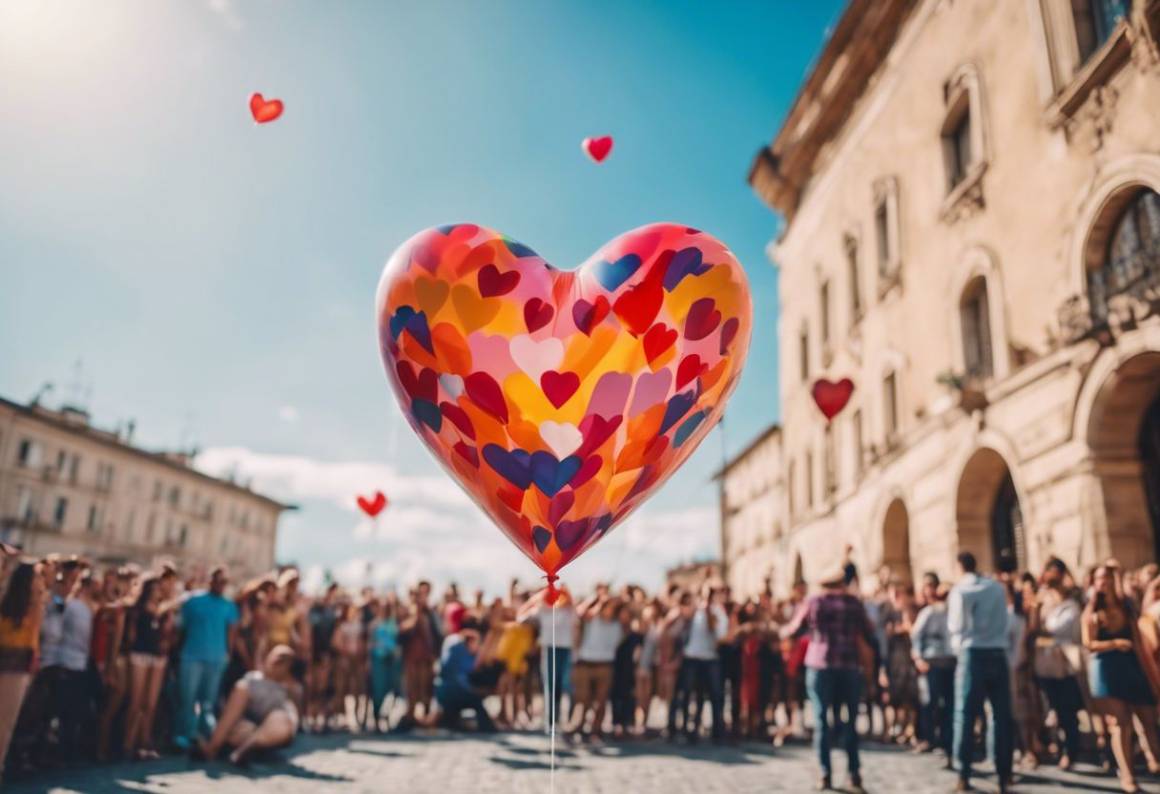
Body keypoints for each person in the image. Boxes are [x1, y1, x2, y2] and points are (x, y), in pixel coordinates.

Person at [781, 561, 876, 793]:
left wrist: (781, 632)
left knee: (822, 721)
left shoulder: (814, 602)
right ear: (842, 583)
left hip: (820, 665)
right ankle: (854, 774)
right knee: (850, 722)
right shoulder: (854, 603)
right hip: (849, 665)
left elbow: (792, 630)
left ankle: (825, 774)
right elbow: (870, 630)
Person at [1082, 564, 1160, 792]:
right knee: (1121, 724)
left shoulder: (1127, 606)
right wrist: (1115, 644)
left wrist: (1151, 676)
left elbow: (1138, 641)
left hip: (1131, 666)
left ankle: (1154, 759)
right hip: (1106, 668)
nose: (1103, 582)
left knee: (1147, 717)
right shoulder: (1092, 610)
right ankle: (1127, 776)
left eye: (1107, 577)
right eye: (1099, 578)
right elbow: (1088, 643)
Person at [947, 551, 1012, 793]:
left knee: (965, 716)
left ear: (959, 566)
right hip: (998, 652)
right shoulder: (996, 588)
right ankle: (1003, 775)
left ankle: (963, 774)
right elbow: (1004, 620)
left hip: (972, 654)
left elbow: (956, 626)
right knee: (1000, 716)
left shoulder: (961, 591)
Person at [196, 645, 301, 765]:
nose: (276, 662)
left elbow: (293, 718)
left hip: (273, 726)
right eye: (276, 658)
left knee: (280, 720)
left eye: (283, 661)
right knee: (242, 692)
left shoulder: (290, 687)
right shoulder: (252, 679)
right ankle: (215, 746)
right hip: (246, 725)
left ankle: (243, 749)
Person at [1030, 556, 1085, 771]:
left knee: (1067, 709)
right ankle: (1059, 746)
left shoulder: (1072, 597)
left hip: (1066, 662)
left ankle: (1070, 750)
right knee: (1052, 708)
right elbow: (1036, 630)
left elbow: (1055, 631)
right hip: (1045, 662)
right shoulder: (1042, 600)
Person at [175, 566, 238, 750]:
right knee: (187, 699)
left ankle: (204, 737)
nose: (220, 585)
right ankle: (184, 735)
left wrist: (228, 654)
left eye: (224, 582)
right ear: (210, 581)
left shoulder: (229, 605)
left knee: (208, 702)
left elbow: (232, 632)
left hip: (216, 657)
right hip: (191, 656)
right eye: (218, 581)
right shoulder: (193, 601)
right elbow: (180, 627)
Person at [0, 562, 46, 781]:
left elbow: (34, 638)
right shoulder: (10, 601)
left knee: (6, 722)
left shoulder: (30, 605)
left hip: (17, 664)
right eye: (37, 577)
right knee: (5, 722)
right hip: (12, 663)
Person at [123, 574, 174, 760]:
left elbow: (167, 637)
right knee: (136, 702)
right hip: (140, 654)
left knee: (151, 704)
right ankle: (127, 743)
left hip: (157, 657)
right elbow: (130, 635)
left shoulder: (163, 611)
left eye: (159, 588)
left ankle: (144, 742)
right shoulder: (137, 610)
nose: (157, 592)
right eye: (153, 588)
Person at [674, 582, 727, 742]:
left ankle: (717, 731)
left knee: (715, 695)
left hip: (710, 659)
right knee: (689, 694)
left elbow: (718, 635)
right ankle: (688, 729)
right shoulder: (694, 610)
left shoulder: (718, 612)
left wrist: (709, 612)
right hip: (692, 658)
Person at [910, 572, 954, 761]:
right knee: (930, 702)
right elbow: (916, 636)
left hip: (949, 660)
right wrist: (919, 658)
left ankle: (947, 741)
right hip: (932, 662)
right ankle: (930, 738)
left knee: (948, 704)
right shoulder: (926, 612)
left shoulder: (950, 610)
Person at [568, 592, 622, 743]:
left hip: (605, 664)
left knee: (601, 701)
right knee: (582, 698)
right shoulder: (591, 619)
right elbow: (579, 612)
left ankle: (595, 730)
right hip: (585, 663)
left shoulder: (617, 625)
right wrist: (598, 600)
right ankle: (577, 726)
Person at [432, 628, 495, 732]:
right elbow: (462, 679)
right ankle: (487, 728)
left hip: (442, 693)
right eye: (477, 644)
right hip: (451, 693)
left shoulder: (453, 649)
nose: (478, 647)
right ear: (470, 642)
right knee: (475, 700)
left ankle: (451, 723)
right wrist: (477, 691)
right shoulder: (462, 654)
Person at [366, 596, 400, 732]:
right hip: (378, 659)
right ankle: (375, 718)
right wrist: (368, 661)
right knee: (378, 690)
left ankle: (387, 717)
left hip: (392, 659)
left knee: (391, 689)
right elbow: (370, 644)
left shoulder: (393, 623)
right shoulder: (374, 624)